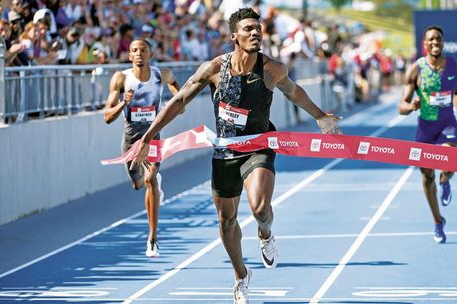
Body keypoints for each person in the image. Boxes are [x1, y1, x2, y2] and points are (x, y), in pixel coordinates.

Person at [130, 8, 342, 304]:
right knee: (226, 221)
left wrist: (320, 117)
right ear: (234, 37)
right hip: (225, 150)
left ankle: (265, 233)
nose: (255, 33)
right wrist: (148, 136)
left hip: (258, 146)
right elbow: (179, 101)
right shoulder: (215, 68)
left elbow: (294, 93)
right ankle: (241, 276)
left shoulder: (271, 69)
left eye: (258, 28)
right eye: (248, 29)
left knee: (259, 208)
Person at [104, 39, 179, 258]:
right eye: (134, 51)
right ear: (129, 56)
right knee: (138, 183)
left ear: (151, 53)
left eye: (143, 50)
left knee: (150, 179)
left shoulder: (161, 74)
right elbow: (107, 117)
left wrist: (176, 104)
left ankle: (153, 239)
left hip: (152, 137)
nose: (139, 54)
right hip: (130, 141)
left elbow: (178, 88)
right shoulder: (121, 78)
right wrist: (122, 103)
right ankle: (144, 182)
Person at [398, 25, 457, 244]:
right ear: (425, 44)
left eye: (439, 38)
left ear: (443, 41)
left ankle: (445, 180)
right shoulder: (416, 69)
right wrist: (411, 107)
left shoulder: (454, 66)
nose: (435, 42)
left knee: (450, 160)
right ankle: (438, 222)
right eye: (431, 39)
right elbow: (401, 106)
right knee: (426, 177)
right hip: (426, 128)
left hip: (447, 123)